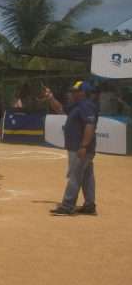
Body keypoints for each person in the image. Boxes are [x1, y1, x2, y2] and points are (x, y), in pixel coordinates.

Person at [43, 82, 99, 216]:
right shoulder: (77, 105)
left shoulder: (86, 106)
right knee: (87, 176)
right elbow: (60, 109)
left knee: (75, 175)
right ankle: (89, 205)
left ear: (83, 93)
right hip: (79, 148)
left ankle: (67, 206)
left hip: (80, 148)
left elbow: (89, 126)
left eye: (75, 91)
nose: (72, 93)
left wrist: (84, 146)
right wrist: (51, 97)